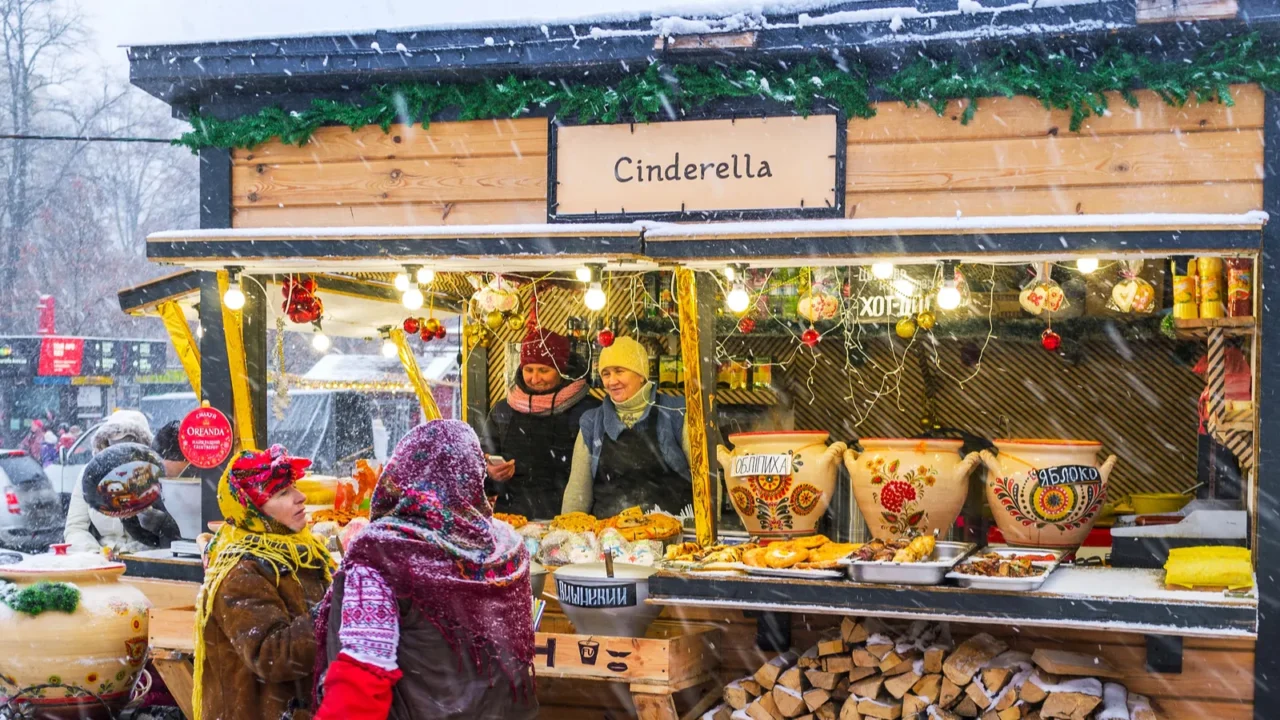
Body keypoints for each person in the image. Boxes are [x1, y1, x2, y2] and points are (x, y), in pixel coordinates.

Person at [313, 420, 538, 720]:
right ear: (472, 476)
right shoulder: (508, 545)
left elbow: (361, 684)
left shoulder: (382, 552)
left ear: (400, 471)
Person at [194, 444, 334, 720]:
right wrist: (332, 609)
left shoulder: (305, 552)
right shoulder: (240, 572)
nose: (301, 497)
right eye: (283, 493)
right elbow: (273, 656)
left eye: (294, 487)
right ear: (253, 510)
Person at [562, 336, 692, 517]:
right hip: (611, 540)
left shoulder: (676, 412)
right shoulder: (592, 423)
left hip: (676, 538)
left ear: (641, 375)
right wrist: (568, 535)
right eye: (606, 374)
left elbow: (707, 481)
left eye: (619, 371)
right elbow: (577, 493)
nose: (612, 381)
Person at [481, 327, 599, 519]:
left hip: (571, 520)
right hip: (513, 520)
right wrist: (491, 473)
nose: (535, 379)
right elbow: (479, 463)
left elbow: (602, 474)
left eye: (544, 370)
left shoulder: (588, 411)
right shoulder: (503, 410)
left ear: (562, 370)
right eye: (529, 370)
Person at [64, 410, 157, 554]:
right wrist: (94, 553)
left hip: (149, 559)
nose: (119, 450)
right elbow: (75, 528)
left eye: (127, 443)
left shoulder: (156, 476)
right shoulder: (89, 476)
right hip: (103, 562)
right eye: (113, 443)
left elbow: (169, 532)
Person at [79, 442, 182, 549]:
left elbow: (186, 536)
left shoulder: (160, 488)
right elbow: (151, 539)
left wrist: (162, 524)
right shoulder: (131, 501)